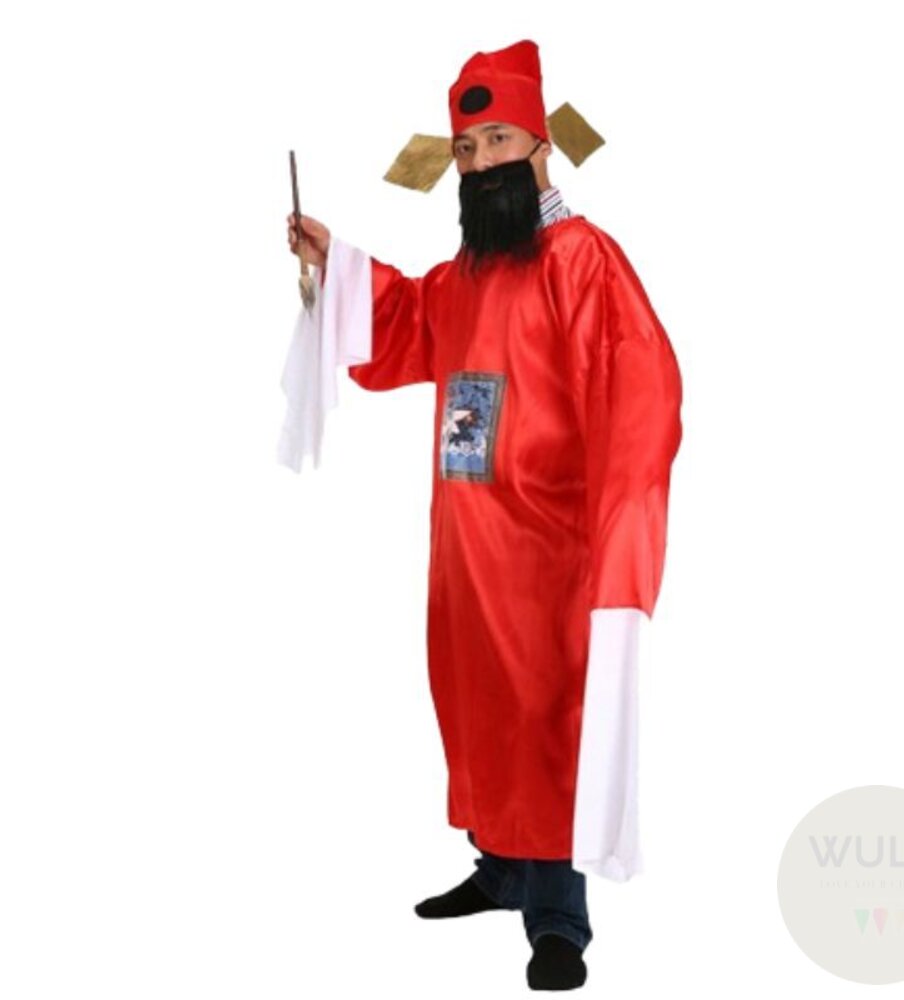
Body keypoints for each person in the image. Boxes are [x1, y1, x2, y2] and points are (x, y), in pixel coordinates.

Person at [280, 39, 683, 992]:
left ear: (541, 148)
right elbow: (406, 321)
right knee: (480, 711)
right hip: (466, 548)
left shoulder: (583, 262)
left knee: (546, 722)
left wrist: (618, 525)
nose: (479, 162)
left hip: (551, 554)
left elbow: (641, 391)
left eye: (498, 141)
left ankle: (558, 919)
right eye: (465, 149)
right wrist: (338, 263)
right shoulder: (468, 273)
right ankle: (500, 870)